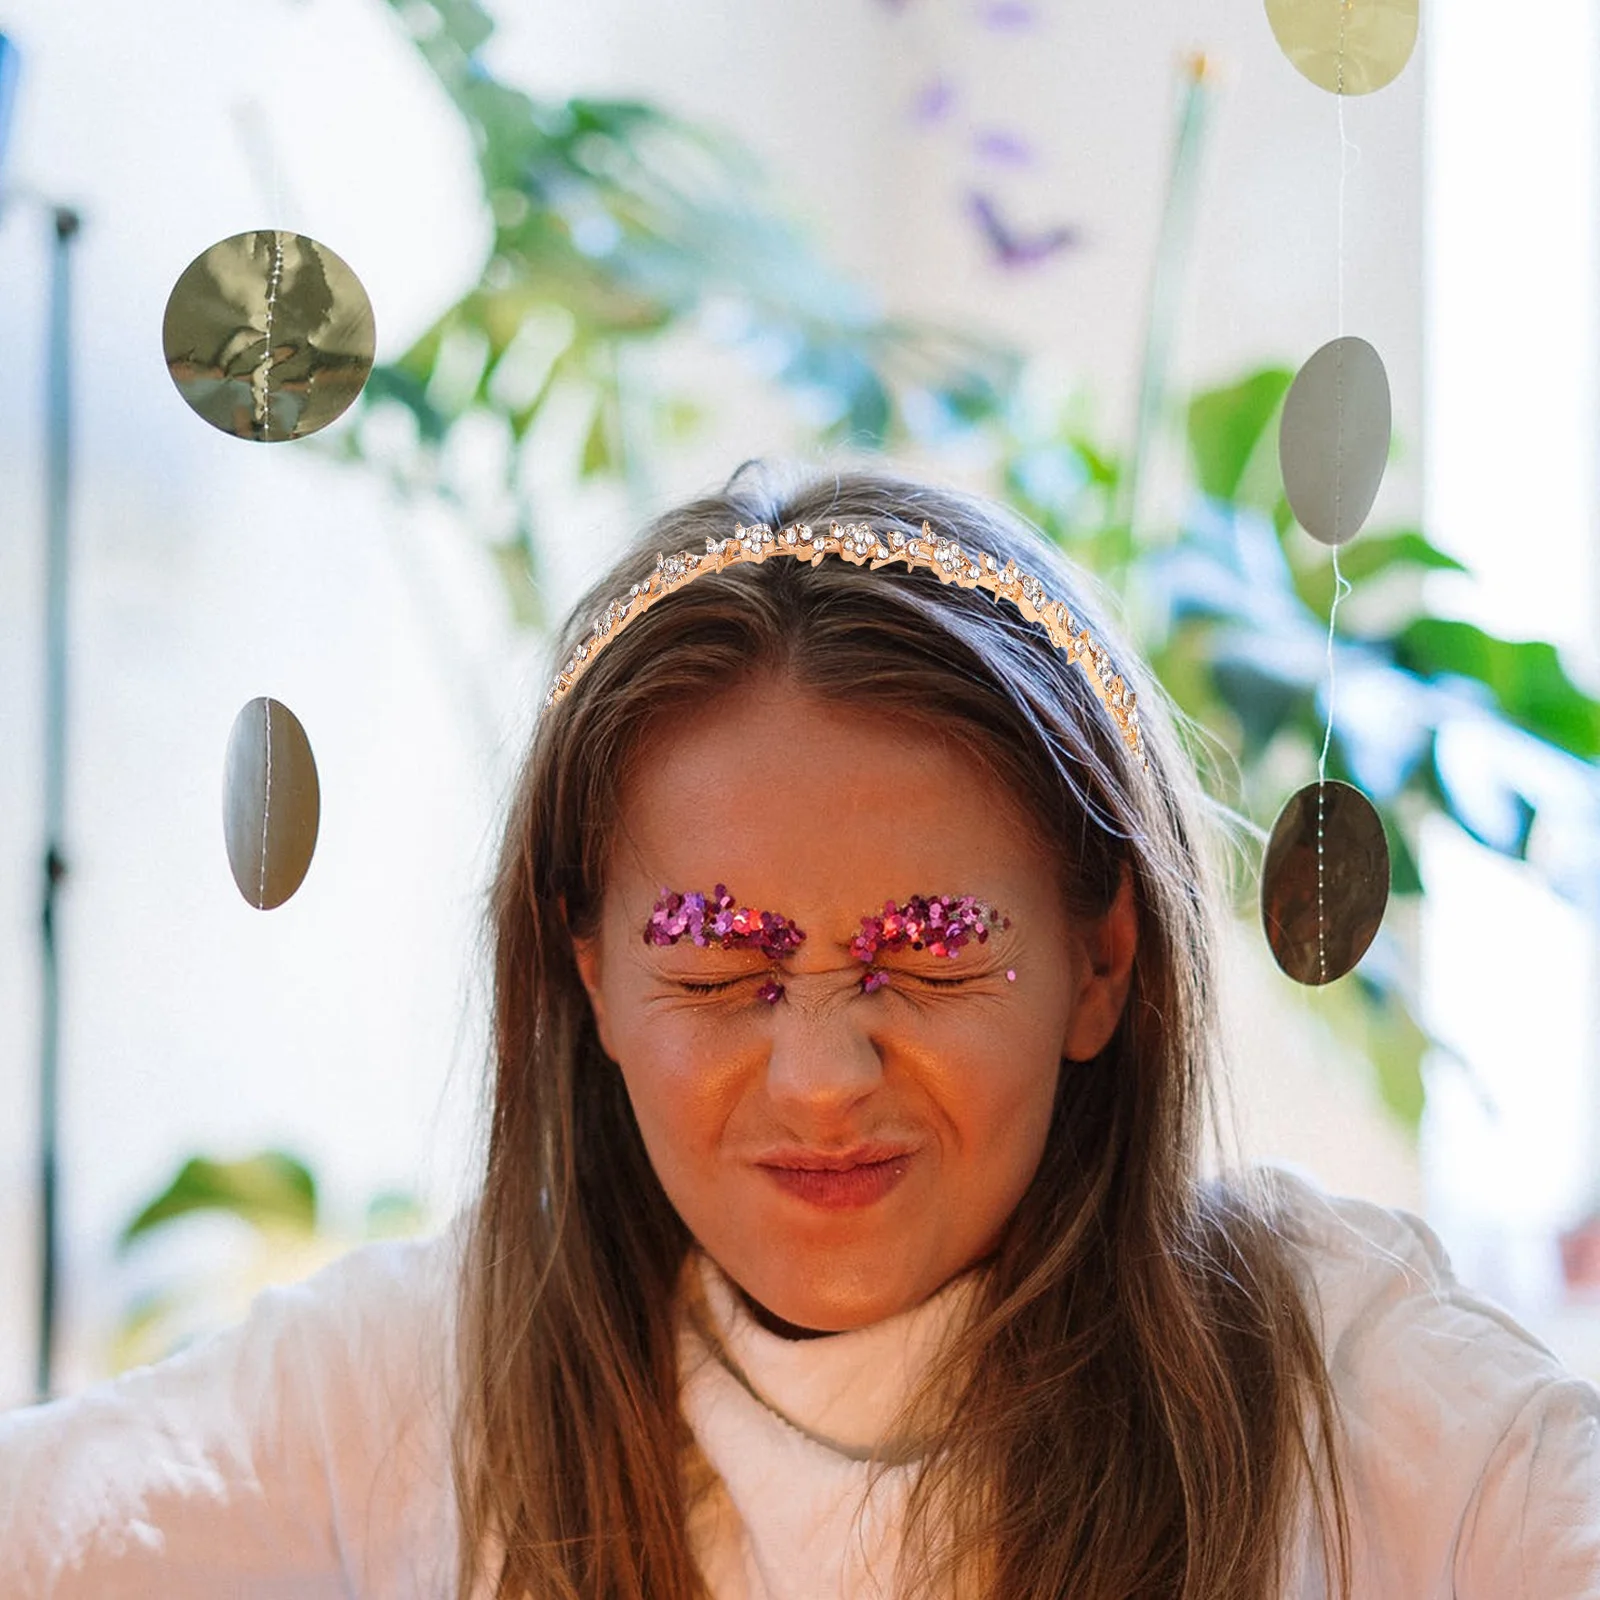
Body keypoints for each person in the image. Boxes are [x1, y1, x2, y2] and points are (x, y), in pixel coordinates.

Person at [3, 468, 1597, 1599]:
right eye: (711, 971)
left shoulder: (1335, 1366)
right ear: (585, 981)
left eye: (933, 956)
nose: (825, 1078)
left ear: (1104, 962)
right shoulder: (424, 1378)